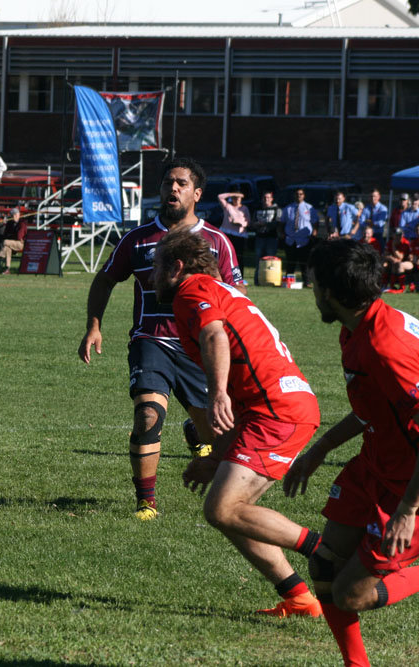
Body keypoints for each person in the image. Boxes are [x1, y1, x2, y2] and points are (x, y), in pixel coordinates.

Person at [153, 230, 323, 617]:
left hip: (276, 409)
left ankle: (328, 550)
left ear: (176, 267)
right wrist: (216, 459)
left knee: (223, 508)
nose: (151, 277)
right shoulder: (218, 289)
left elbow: (214, 335)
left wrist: (216, 394)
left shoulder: (191, 289)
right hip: (273, 406)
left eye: (156, 267)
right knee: (232, 512)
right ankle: (298, 597)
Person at [78, 157, 244, 521]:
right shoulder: (137, 240)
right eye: (169, 182)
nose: (173, 188)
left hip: (200, 346)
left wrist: (235, 335)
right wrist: (94, 325)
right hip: (151, 339)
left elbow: (238, 295)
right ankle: (146, 503)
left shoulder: (216, 242)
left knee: (220, 435)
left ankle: (195, 430)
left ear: (197, 193)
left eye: (182, 183)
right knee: (148, 415)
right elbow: (105, 279)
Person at [285, 239, 419, 666]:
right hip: (376, 464)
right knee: (324, 568)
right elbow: (373, 406)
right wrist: (321, 449)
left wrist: (407, 509)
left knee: (351, 594)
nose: (312, 292)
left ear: (330, 292)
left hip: (407, 485)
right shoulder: (359, 327)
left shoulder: (385, 347)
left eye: (313, 284)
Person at [282, 188, 317, 286]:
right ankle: (288, 282)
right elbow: (282, 222)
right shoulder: (288, 208)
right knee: (290, 262)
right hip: (291, 239)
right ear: (294, 195)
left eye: (301, 194)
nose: (299, 196)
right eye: (297, 194)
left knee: (304, 263)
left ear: (304, 195)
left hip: (304, 240)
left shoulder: (309, 208)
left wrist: (314, 234)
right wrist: (283, 235)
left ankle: (307, 282)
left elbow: (315, 222)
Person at [251, 190, 283, 286]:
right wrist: (256, 224)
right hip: (259, 237)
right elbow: (252, 222)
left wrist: (265, 224)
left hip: (271, 238)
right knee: (258, 259)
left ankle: (269, 280)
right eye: (264, 198)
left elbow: (278, 222)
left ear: (272, 199)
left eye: (268, 197)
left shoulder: (276, 209)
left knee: (270, 259)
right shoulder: (257, 209)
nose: (266, 199)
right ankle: (258, 280)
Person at [217, 191, 250, 278]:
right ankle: (225, 276)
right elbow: (220, 197)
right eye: (235, 198)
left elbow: (248, 222)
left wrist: (240, 223)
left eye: (238, 198)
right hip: (228, 234)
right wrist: (232, 194)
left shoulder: (244, 208)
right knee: (226, 256)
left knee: (239, 257)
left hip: (239, 235)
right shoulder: (228, 206)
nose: (237, 199)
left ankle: (239, 277)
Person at [0, 207, 28, 275]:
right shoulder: (10, 223)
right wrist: (11, 236)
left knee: (5, 242)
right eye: (11, 216)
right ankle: (7, 269)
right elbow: (5, 234)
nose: (12, 217)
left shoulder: (22, 223)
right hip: (10, 243)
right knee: (7, 248)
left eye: (12, 215)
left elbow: (19, 236)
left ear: (17, 215)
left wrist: (10, 236)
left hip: (20, 243)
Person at [381, 228, 413, 292]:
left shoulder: (405, 242)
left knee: (398, 264)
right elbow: (384, 255)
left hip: (405, 262)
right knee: (384, 264)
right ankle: (385, 285)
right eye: (396, 235)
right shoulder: (390, 242)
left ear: (402, 235)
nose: (398, 237)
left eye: (399, 235)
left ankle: (401, 288)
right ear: (393, 235)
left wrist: (393, 246)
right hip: (393, 262)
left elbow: (400, 257)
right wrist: (392, 258)